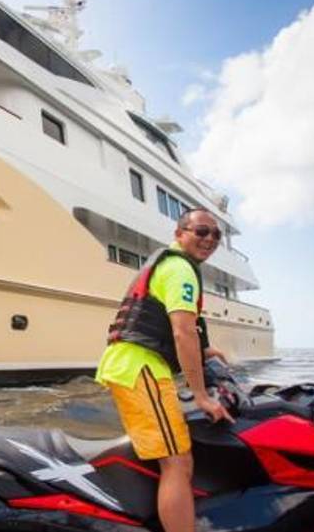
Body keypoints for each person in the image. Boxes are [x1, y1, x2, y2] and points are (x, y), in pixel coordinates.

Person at [95, 208, 234, 532]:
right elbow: (182, 332)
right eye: (201, 231)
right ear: (179, 233)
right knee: (177, 462)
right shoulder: (180, 270)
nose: (209, 239)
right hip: (140, 368)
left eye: (216, 235)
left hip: (135, 365)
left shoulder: (170, 265)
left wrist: (205, 350)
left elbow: (182, 329)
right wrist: (201, 396)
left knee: (173, 457)